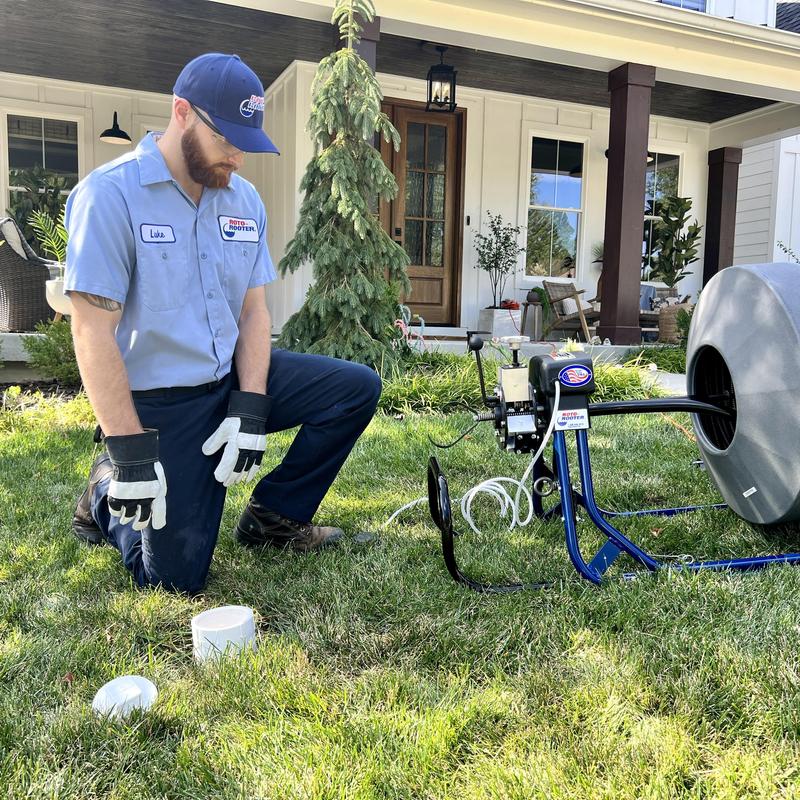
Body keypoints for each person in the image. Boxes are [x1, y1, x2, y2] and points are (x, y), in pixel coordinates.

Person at [65, 53, 382, 593]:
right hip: (164, 402)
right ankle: (104, 488)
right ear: (181, 112)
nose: (237, 157)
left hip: (229, 376)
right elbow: (91, 330)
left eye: (246, 142)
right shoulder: (110, 196)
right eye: (225, 139)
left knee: (354, 389)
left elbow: (253, 310)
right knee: (174, 581)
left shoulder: (244, 200)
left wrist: (251, 405)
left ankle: (274, 517)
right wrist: (131, 454)